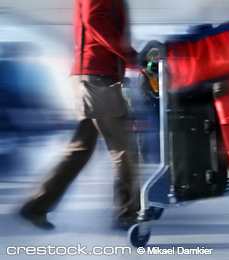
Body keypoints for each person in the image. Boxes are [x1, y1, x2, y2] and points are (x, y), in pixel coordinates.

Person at [20, 0, 141, 230]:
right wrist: (132, 57)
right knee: (123, 149)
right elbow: (95, 20)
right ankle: (129, 215)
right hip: (98, 77)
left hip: (94, 75)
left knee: (80, 148)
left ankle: (36, 207)